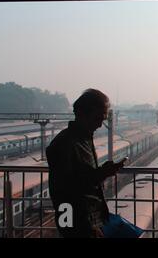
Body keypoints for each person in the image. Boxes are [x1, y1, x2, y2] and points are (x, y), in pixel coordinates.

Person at [46, 89, 125, 238]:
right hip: (79, 222)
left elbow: (81, 178)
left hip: (87, 220)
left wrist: (102, 172)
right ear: (82, 114)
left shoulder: (82, 140)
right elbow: (65, 189)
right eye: (97, 118)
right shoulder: (66, 143)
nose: (101, 124)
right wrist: (73, 227)